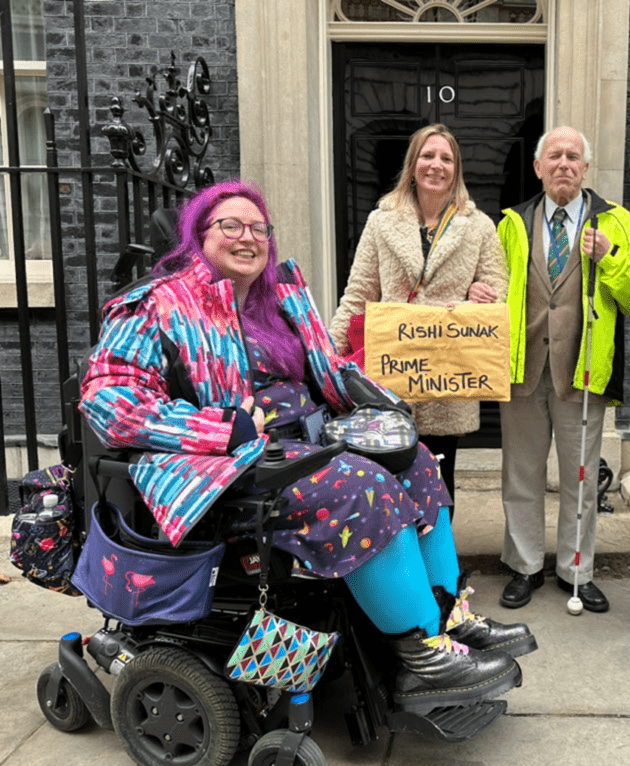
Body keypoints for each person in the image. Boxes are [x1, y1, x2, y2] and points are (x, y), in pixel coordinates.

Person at [79, 179, 534, 716]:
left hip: (308, 444)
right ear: (198, 235)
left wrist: (378, 400)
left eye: (258, 228)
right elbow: (109, 398)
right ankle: (422, 660)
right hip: (228, 465)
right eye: (230, 225)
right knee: (363, 488)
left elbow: (329, 369)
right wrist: (216, 428)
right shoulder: (158, 304)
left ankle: (448, 619)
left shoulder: (278, 300)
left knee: (414, 462)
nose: (247, 237)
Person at [497, 126, 630, 613]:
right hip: (523, 370)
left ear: (586, 169)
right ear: (539, 168)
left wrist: (610, 257)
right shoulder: (512, 224)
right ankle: (524, 566)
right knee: (520, 476)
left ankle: (576, 571)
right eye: (554, 156)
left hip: (582, 371)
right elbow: (493, 285)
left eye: (574, 157)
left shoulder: (618, 222)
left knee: (580, 479)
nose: (564, 164)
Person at [330, 124, 508, 518]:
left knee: (441, 486)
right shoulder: (382, 221)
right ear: (413, 166)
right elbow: (359, 292)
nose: (436, 165)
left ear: (456, 170)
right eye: (428, 156)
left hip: (447, 379)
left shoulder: (478, 225)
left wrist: (485, 292)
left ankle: (441, 575)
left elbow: (498, 286)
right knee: (389, 485)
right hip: (392, 377)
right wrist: (327, 351)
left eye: (446, 158)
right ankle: (402, 576)